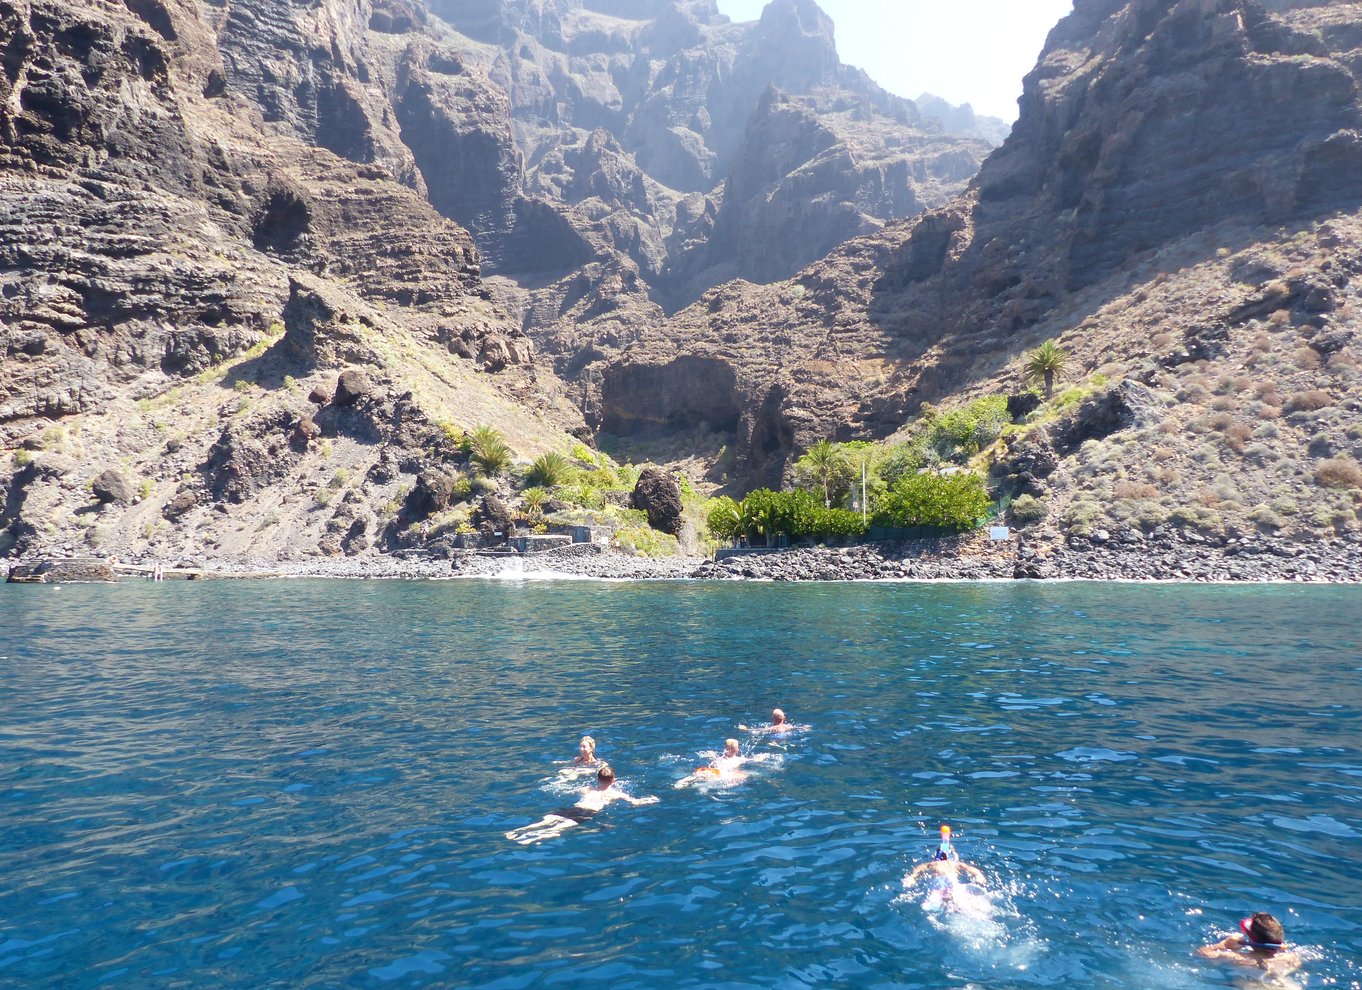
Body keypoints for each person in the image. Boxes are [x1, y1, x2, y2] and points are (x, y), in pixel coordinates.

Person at [506, 764, 658, 844]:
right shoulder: (615, 793)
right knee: (558, 828)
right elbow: (635, 802)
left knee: (547, 821)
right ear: (613, 780)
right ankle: (529, 839)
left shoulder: (587, 788)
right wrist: (649, 800)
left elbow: (568, 790)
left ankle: (520, 830)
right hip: (587, 813)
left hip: (574, 807)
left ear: (597, 779)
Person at [902, 826, 987, 911]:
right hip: (953, 883)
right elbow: (971, 869)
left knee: (936, 898)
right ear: (953, 855)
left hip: (939, 884)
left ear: (936, 856)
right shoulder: (956, 864)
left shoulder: (932, 864)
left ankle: (934, 902)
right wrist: (979, 875)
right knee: (960, 898)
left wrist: (912, 877)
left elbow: (919, 869)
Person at [1196, 912, 1302, 978]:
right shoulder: (1292, 958)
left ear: (1251, 940)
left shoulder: (1237, 957)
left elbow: (1199, 953)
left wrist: (1224, 944)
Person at [739, 708, 809, 736]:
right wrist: (803, 727)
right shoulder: (788, 726)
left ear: (772, 719)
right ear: (784, 718)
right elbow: (796, 728)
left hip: (776, 738)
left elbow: (759, 730)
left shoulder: (773, 728)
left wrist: (746, 729)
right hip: (786, 736)